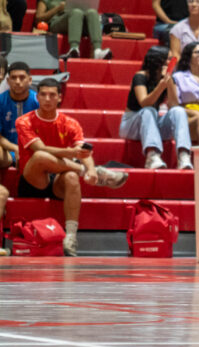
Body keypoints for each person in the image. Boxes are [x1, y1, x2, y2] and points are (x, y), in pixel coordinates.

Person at [17, 78, 129, 256]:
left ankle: (70, 237)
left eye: (52, 95)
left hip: (58, 180)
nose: (47, 98)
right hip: (34, 178)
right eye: (43, 95)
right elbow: (41, 149)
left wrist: (91, 170)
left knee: (71, 177)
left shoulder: (70, 123)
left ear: (59, 98)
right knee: (41, 156)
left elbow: (83, 152)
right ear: (37, 97)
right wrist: (72, 155)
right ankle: (88, 171)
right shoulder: (24, 121)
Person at [120, 45, 192, 170]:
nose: (171, 62)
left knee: (179, 111)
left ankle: (183, 155)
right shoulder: (140, 77)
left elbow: (174, 104)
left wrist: (168, 83)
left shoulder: (168, 79)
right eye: (168, 59)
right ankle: (152, 156)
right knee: (149, 110)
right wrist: (160, 87)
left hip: (151, 125)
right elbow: (144, 103)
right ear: (158, 60)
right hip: (131, 124)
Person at [34, 0, 111, 60]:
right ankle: (74, 48)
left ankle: (97, 50)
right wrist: (57, 9)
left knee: (92, 12)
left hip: (80, 24)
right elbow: (38, 18)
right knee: (76, 12)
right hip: (57, 24)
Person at [0, 61, 38, 170]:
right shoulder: (0, 101)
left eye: (22, 78)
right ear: (8, 81)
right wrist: (15, 148)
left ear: (30, 80)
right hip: (7, 152)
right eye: (13, 78)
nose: (17, 82)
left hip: (36, 152)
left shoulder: (39, 101)